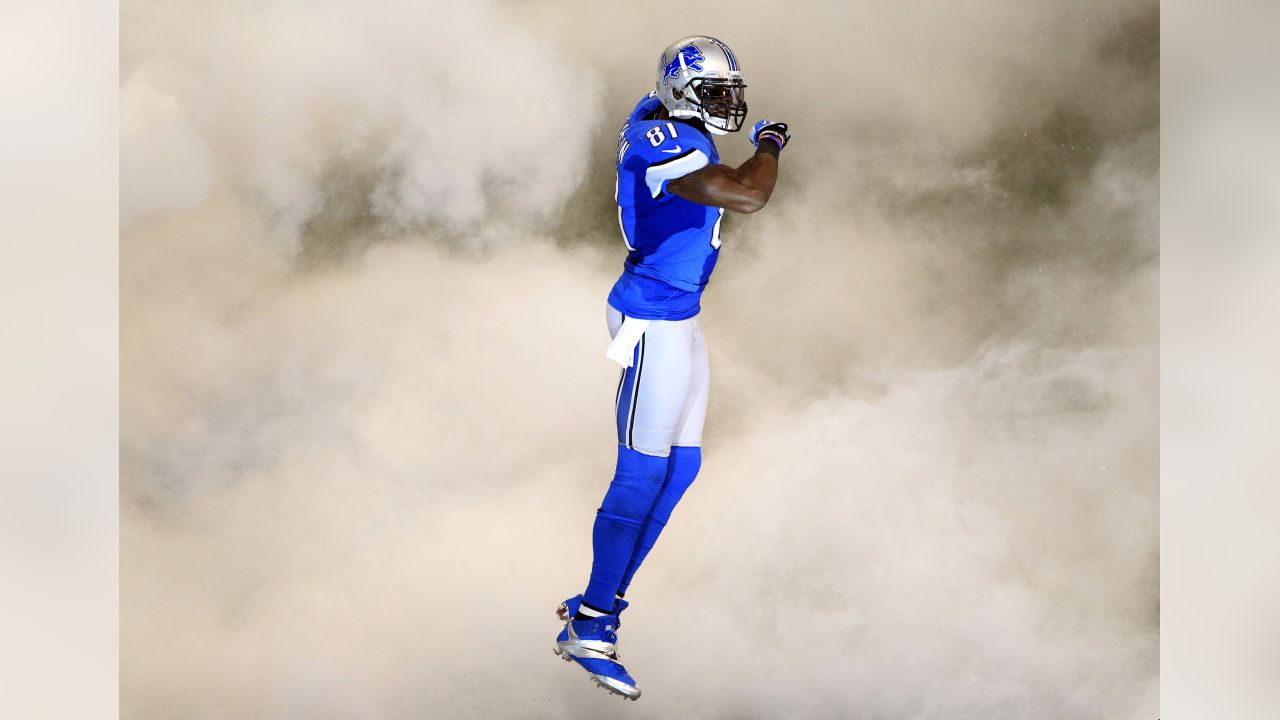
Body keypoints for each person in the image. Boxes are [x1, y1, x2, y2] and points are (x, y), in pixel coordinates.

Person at [552, 35, 790, 700]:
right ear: (684, 97)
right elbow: (746, 196)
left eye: (731, 93)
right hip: (650, 322)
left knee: (682, 467)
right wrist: (769, 145)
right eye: (716, 93)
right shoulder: (661, 140)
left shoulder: (669, 118)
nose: (728, 104)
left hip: (680, 319)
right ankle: (593, 625)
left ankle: (601, 600)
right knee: (641, 471)